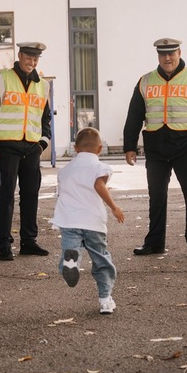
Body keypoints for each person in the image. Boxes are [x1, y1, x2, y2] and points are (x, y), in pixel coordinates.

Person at [123, 38, 187, 260]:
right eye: (163, 54)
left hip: (186, 145)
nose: (167, 58)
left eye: (171, 53)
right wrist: (130, 146)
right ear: (158, 56)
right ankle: (155, 242)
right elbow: (134, 115)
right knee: (156, 196)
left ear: (179, 52)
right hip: (156, 147)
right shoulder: (145, 81)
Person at [0, 41, 52, 261]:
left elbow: (45, 117)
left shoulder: (43, 85)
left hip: (31, 147)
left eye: (35, 59)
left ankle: (29, 242)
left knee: (31, 195)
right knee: (7, 195)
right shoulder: (1, 80)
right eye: (28, 58)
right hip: (7, 147)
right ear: (19, 56)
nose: (32, 62)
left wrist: (43, 143)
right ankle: (4, 244)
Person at [49, 128, 125, 314]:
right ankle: (105, 300)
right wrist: (114, 207)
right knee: (101, 259)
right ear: (99, 149)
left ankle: (71, 262)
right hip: (93, 221)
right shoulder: (100, 167)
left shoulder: (64, 171)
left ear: (75, 148)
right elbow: (99, 185)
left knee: (71, 250)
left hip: (69, 221)